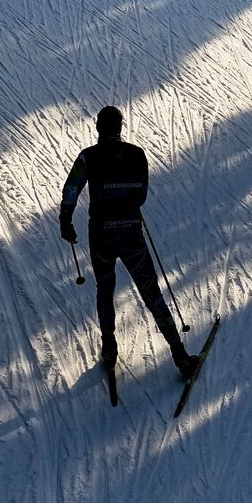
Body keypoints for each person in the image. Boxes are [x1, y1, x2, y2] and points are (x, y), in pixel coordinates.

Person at [59, 106, 198, 378]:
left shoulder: (88, 157)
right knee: (151, 292)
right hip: (131, 232)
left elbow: (71, 189)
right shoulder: (137, 154)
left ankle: (109, 347)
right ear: (120, 127)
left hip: (101, 235)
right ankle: (179, 355)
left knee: (105, 288)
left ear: (98, 126)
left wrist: (66, 221)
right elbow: (142, 193)